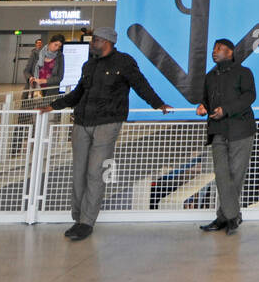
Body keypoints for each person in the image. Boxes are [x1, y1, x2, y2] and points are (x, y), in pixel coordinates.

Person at [41, 26, 172, 240]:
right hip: (82, 122)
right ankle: (78, 217)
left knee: (95, 172)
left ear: (107, 41)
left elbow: (140, 85)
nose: (92, 43)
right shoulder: (89, 65)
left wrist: (158, 104)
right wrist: (54, 106)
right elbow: (78, 93)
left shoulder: (124, 62)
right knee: (78, 172)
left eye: (96, 40)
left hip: (107, 124)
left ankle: (86, 222)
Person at [196, 38, 257, 236]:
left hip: (241, 130)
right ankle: (233, 217)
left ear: (230, 52)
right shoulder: (210, 76)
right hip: (217, 130)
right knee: (222, 174)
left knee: (235, 176)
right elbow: (205, 99)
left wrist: (227, 110)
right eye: (214, 49)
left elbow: (249, 97)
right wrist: (203, 107)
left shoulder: (243, 73)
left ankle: (223, 217)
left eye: (220, 49)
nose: (215, 52)